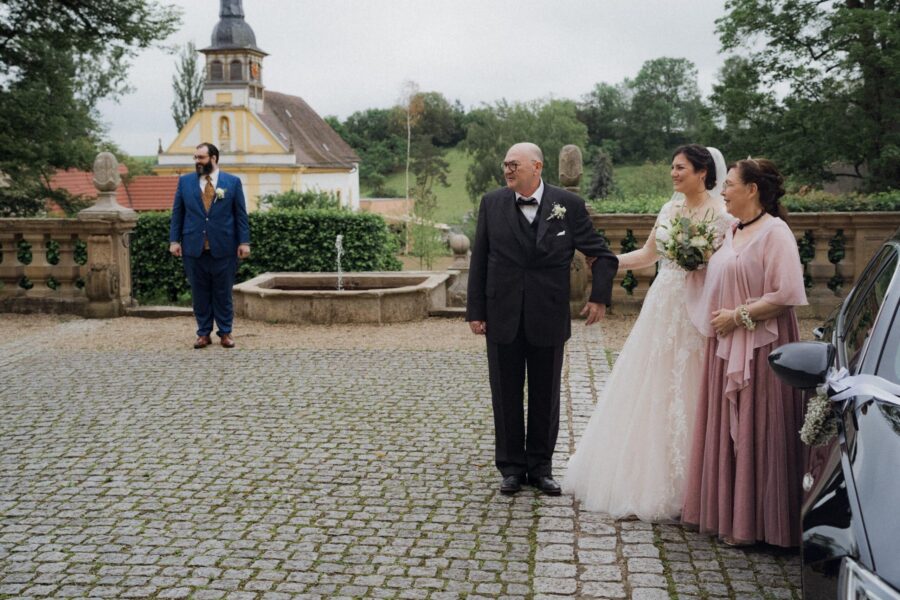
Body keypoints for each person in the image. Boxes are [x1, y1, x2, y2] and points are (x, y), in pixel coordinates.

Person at [563, 145, 732, 521]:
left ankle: (696, 484)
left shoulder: (722, 216)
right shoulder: (669, 210)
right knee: (652, 383)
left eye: (681, 168)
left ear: (703, 172)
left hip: (695, 309)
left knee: (690, 386)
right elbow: (646, 255)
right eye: (672, 167)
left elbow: (725, 270)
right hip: (661, 307)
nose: (673, 174)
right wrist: (606, 261)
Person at [466, 142, 619, 496]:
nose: (507, 170)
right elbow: (480, 259)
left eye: (513, 165)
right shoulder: (491, 203)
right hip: (501, 313)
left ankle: (541, 467)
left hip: (548, 315)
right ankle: (510, 468)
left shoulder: (569, 206)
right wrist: (476, 311)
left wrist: (599, 298)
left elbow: (602, 256)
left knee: (545, 395)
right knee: (504, 394)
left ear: (537, 166)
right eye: (505, 164)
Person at [681, 158, 807, 547]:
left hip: (762, 346)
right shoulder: (732, 229)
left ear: (752, 190)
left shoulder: (775, 233)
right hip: (726, 347)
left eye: (730, 185)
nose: (724, 191)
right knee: (730, 431)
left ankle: (759, 526)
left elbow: (785, 295)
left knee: (760, 428)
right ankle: (729, 516)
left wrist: (737, 316)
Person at [169, 142, 251, 349]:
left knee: (223, 292)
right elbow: (178, 213)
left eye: (201, 158)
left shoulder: (232, 182)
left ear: (213, 158)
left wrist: (244, 242)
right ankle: (203, 333)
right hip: (193, 247)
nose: (197, 162)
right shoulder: (185, 182)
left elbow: (240, 214)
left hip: (224, 246)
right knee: (200, 292)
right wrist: (174, 240)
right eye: (195, 158)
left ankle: (225, 332)